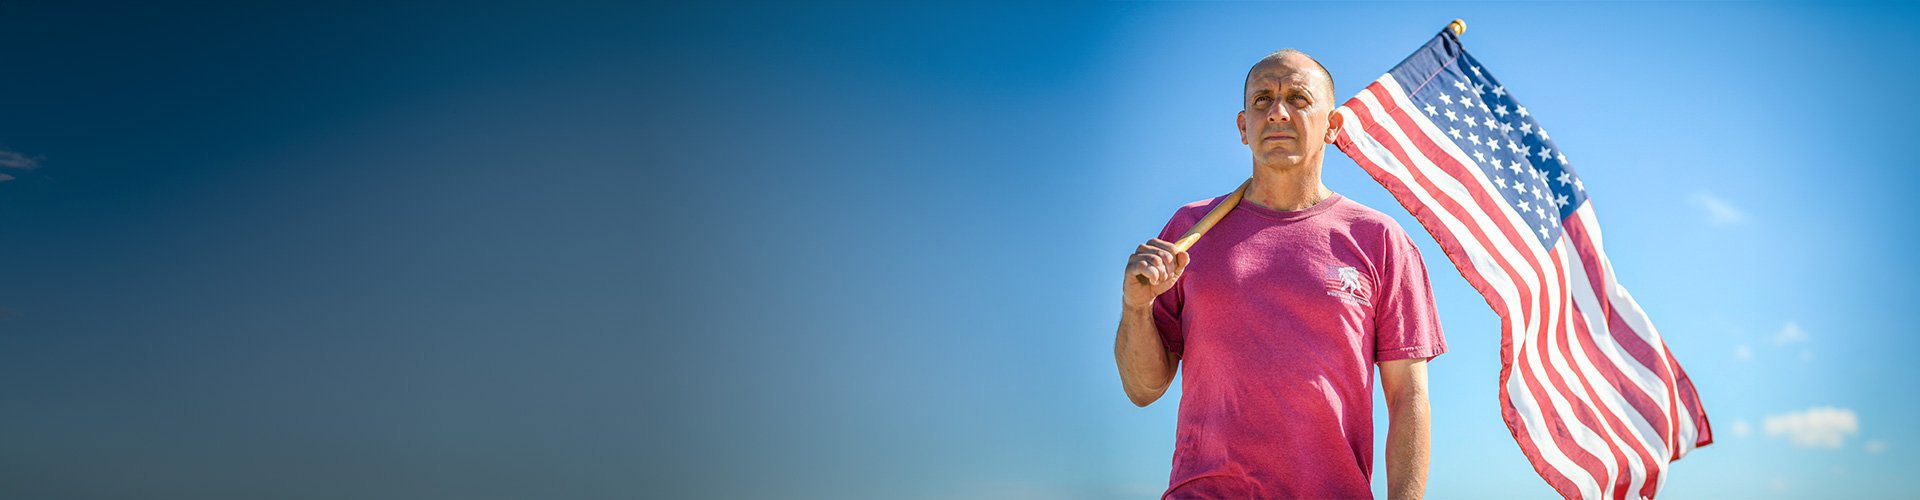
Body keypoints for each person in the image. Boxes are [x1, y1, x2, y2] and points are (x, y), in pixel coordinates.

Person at [1114, 49, 1447, 500]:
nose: (1276, 112)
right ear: (1242, 127)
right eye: (1262, 100)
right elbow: (1143, 388)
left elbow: (1408, 397)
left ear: (1332, 127)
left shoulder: (1379, 240)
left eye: (1298, 98)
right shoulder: (1188, 233)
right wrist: (1136, 308)